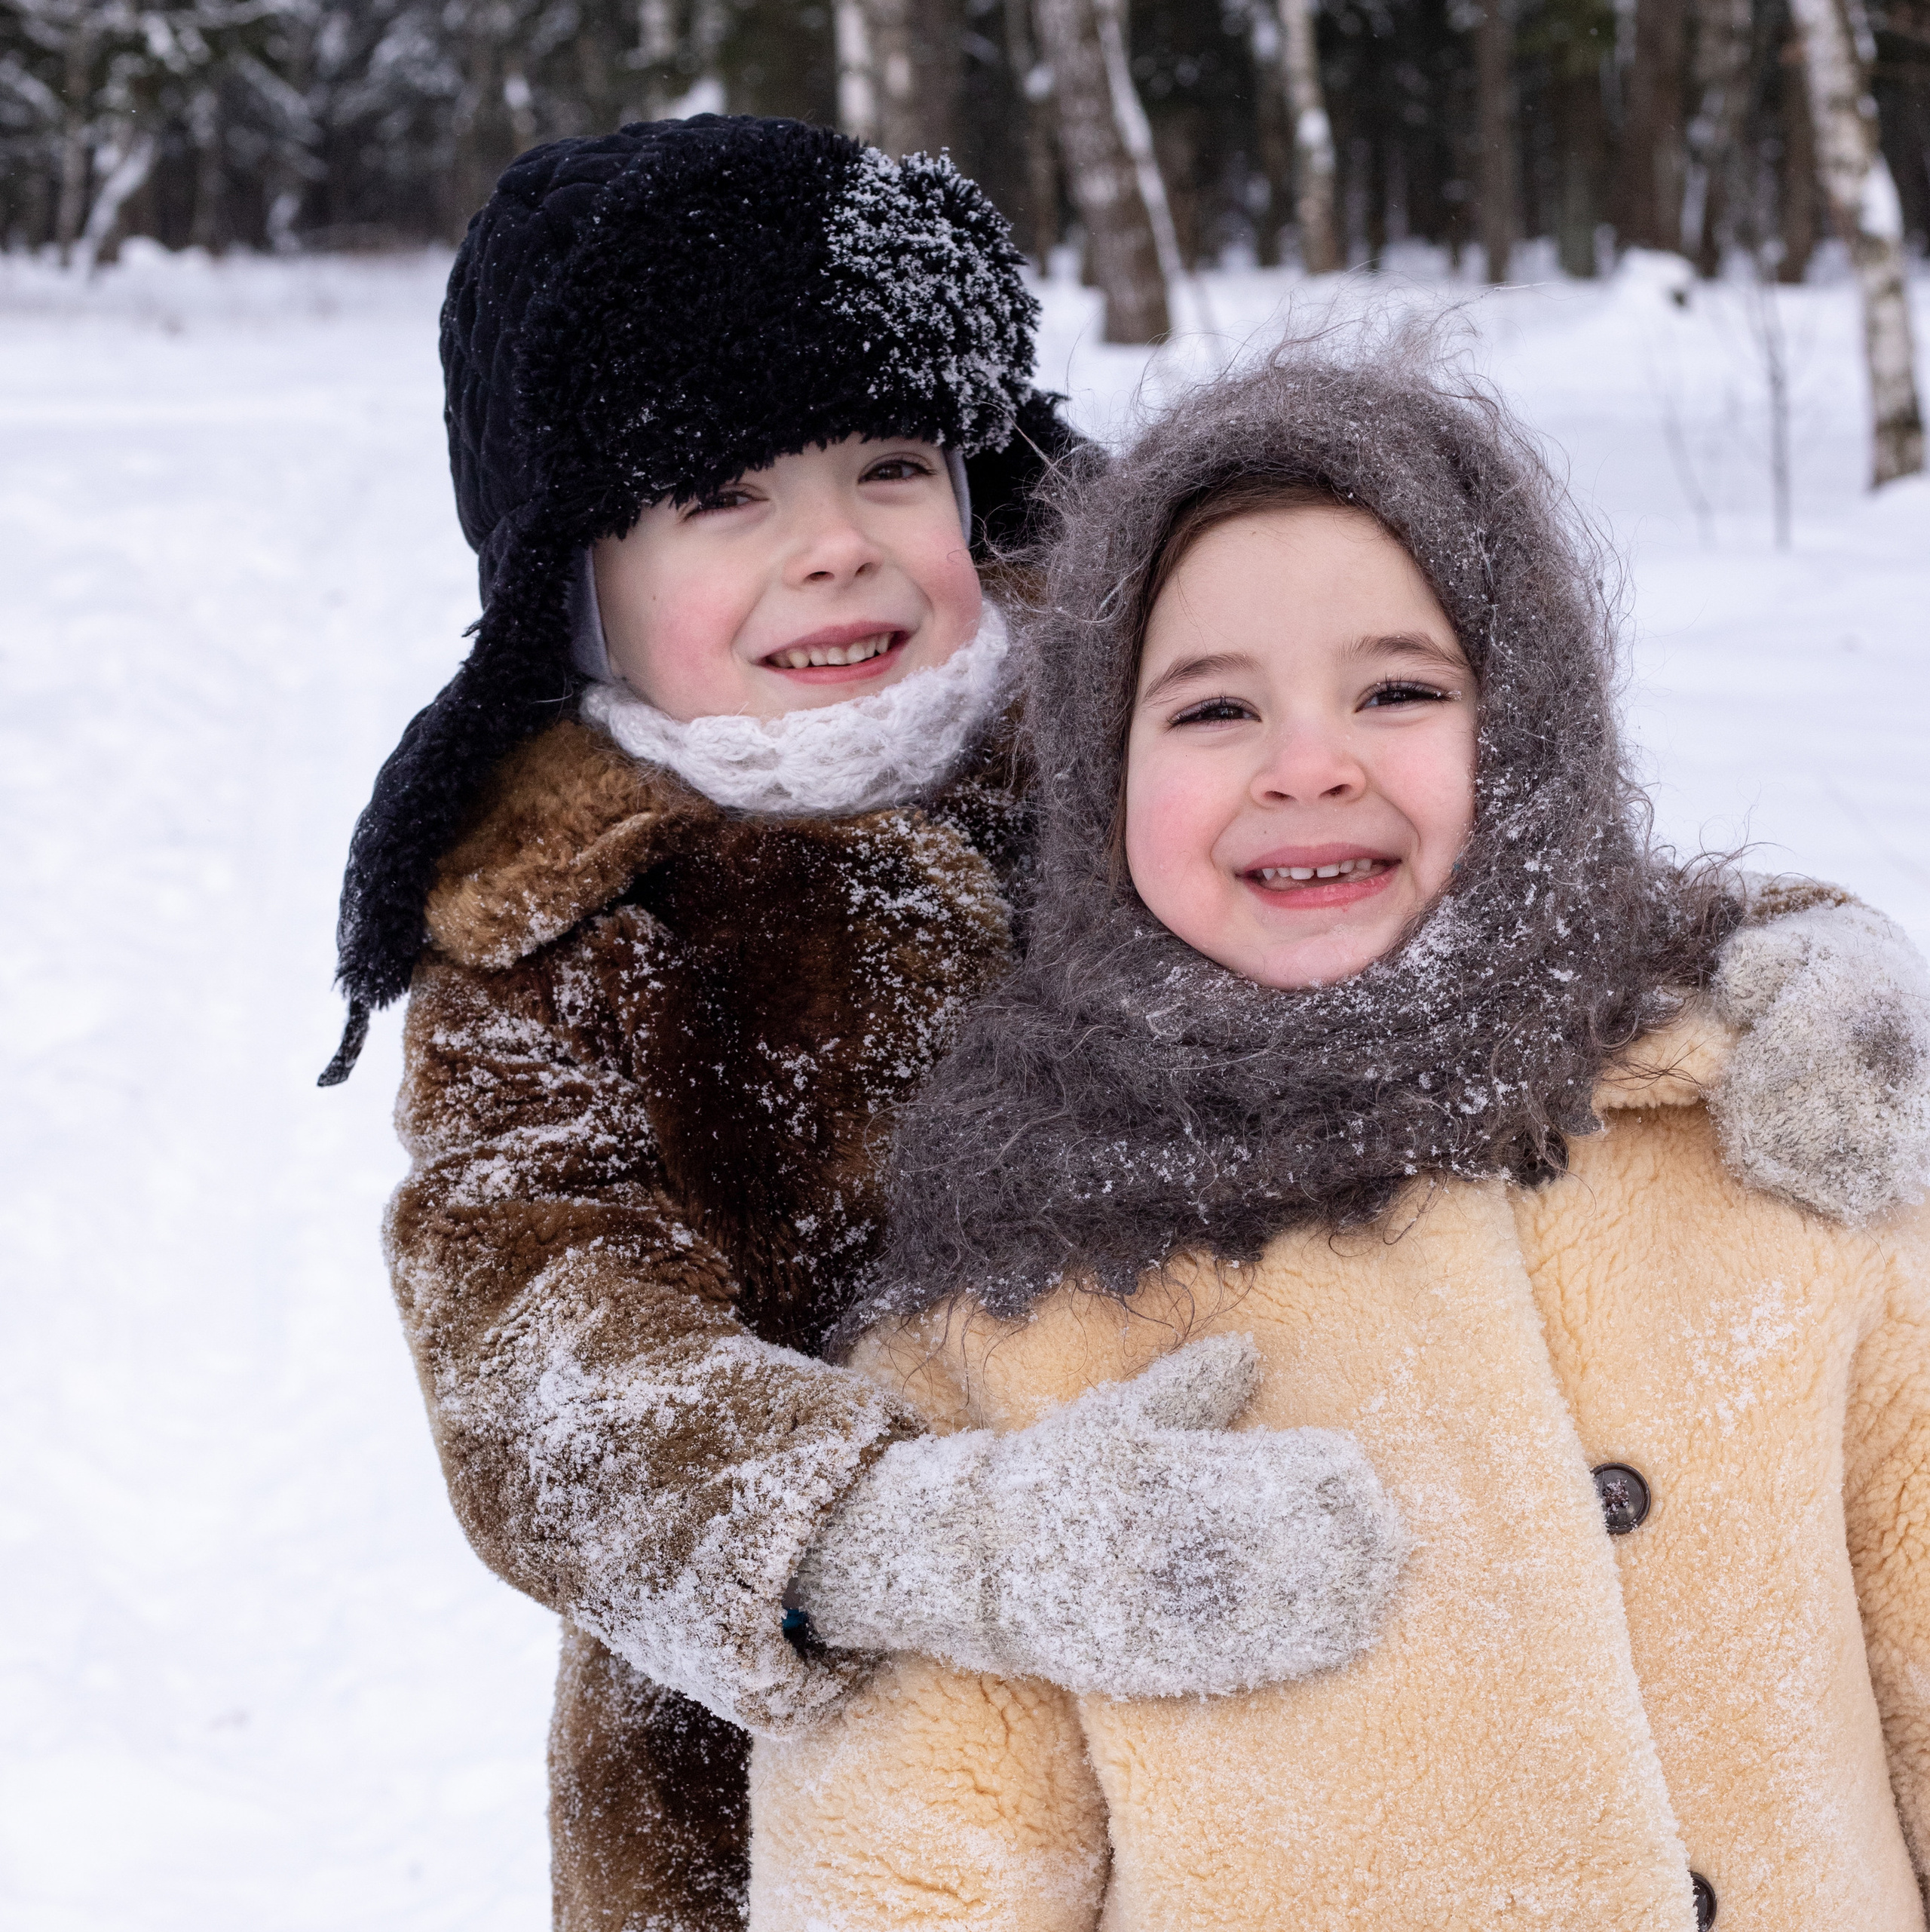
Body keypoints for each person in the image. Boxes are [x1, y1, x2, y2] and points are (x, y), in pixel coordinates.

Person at [323, 118, 1413, 1930]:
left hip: (1284, 1672)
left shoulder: (1163, 730)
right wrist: (902, 1538)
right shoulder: (558, 936)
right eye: (723, 497)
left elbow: (1450, 867)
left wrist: (1737, 990)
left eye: (889, 468)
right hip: (792, 1806)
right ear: (569, 575)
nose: (832, 550)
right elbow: (536, 1362)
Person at [747, 345, 1930, 1932]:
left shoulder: (1764, 1157)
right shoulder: (1018, 1303)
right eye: (1214, 706)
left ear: (1526, 736)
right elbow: (914, 1872)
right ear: (1101, 777)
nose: (1308, 763)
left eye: (1398, 690)